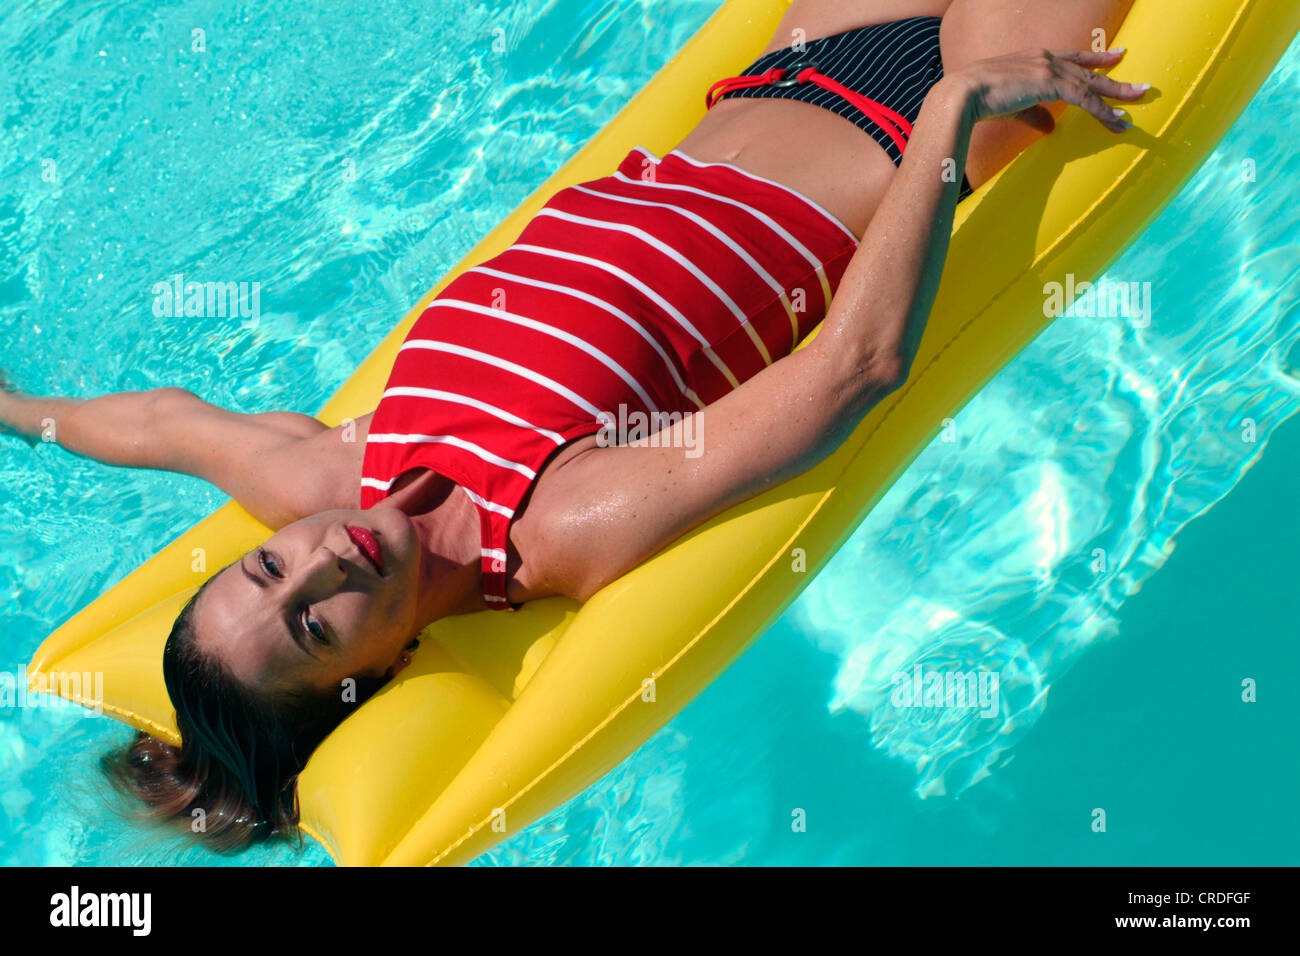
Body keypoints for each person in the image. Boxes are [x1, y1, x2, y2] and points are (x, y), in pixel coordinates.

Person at [1, 0, 1143, 849]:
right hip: (914, 121)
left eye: (265, 568)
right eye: (313, 627)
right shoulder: (558, 521)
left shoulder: (328, 473)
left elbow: (159, 422)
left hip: (782, 76)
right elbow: (856, 367)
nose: (311, 565)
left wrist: (10, 410)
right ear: (377, 672)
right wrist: (950, 110)